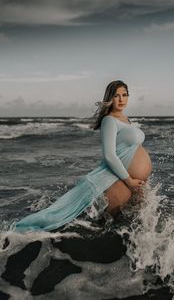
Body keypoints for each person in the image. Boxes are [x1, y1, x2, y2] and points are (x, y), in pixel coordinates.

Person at [13, 80, 152, 233]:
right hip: (120, 179)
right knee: (101, 226)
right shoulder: (109, 120)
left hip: (131, 180)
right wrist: (129, 181)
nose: (121, 99)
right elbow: (110, 155)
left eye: (124, 95)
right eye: (116, 96)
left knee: (131, 225)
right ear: (109, 98)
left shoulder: (126, 120)